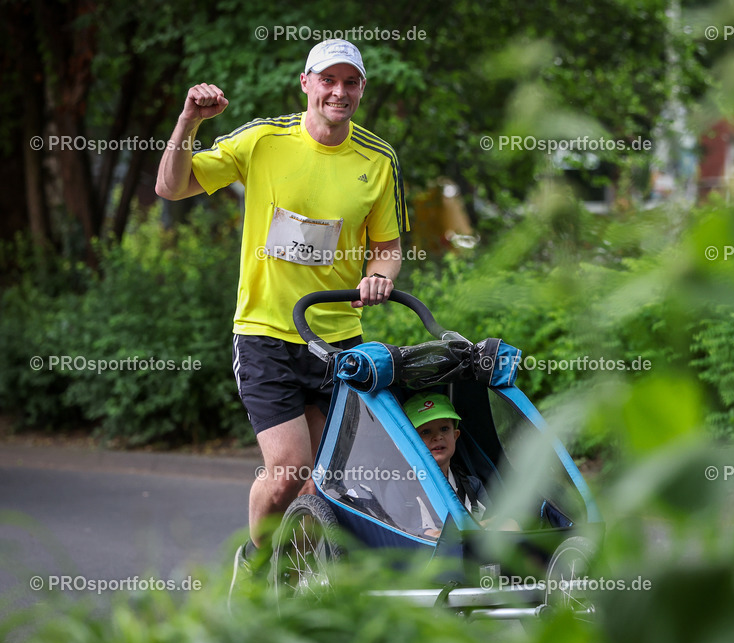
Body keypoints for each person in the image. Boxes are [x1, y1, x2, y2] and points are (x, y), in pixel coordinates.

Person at [154, 38, 410, 596]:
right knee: (290, 469)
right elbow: (170, 187)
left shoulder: (378, 159)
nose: (338, 92)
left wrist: (380, 275)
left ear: (361, 89)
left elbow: (387, 246)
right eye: (328, 80)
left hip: (338, 340)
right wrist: (187, 122)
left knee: (325, 486)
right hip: (266, 333)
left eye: (350, 82)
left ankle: (302, 588)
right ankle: (254, 567)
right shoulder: (263, 140)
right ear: (306, 83)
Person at [402, 392, 489, 531]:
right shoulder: (401, 490)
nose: (437, 437)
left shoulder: (472, 486)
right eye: (425, 431)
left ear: (455, 435)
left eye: (444, 429)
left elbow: (498, 527)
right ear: (409, 442)